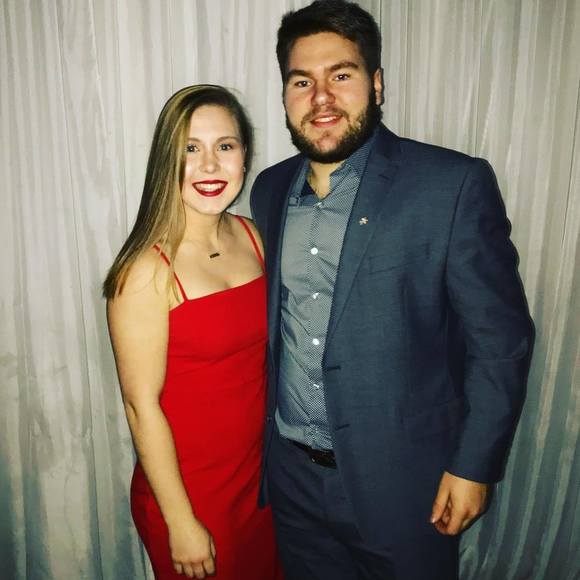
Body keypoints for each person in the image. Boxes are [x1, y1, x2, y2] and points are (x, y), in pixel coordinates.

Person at [250, 2, 533, 579]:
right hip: (293, 484)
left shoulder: (451, 184)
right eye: (302, 81)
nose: (321, 97)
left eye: (341, 74)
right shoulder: (269, 189)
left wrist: (473, 465)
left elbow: (500, 342)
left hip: (407, 486)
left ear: (376, 84)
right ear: (284, 94)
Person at [104, 85, 281, 580]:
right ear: (167, 160)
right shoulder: (144, 271)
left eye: (225, 146)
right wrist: (180, 522)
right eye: (190, 148)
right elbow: (141, 406)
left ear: (244, 156)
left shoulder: (254, 236)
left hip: (261, 484)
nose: (209, 165)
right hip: (191, 495)